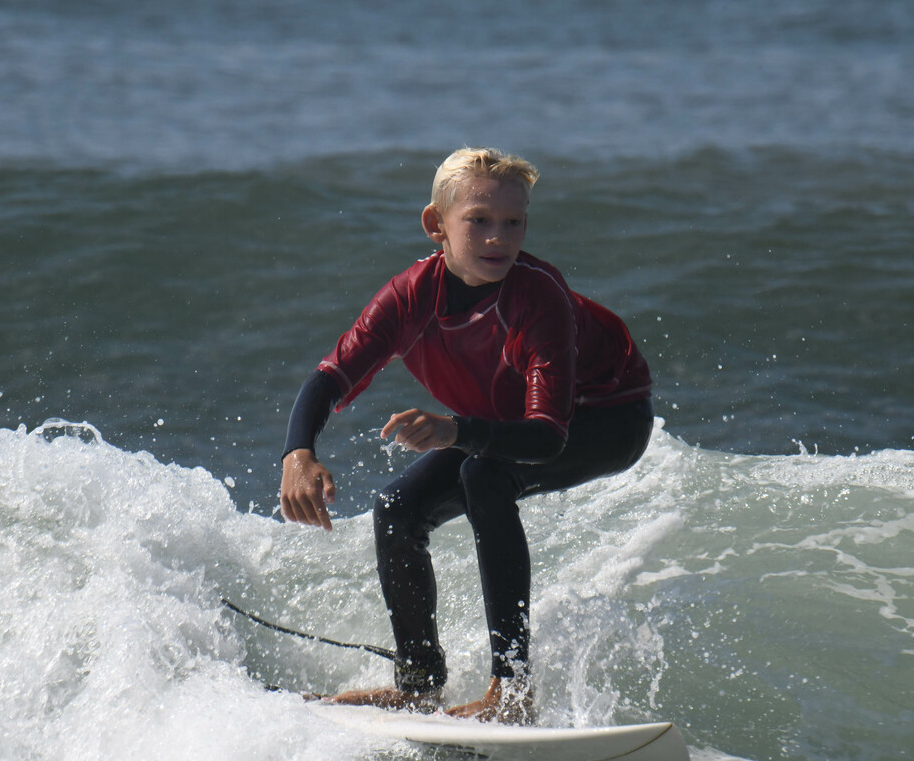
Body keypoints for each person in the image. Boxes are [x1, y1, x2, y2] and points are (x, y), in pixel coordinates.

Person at [279, 147, 654, 723]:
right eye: (478, 220)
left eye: (513, 222)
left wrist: (455, 430)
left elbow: (547, 438)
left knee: (484, 471)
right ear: (437, 225)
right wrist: (298, 453)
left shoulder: (538, 297)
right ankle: (418, 682)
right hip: (500, 424)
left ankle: (513, 690)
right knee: (396, 509)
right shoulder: (409, 297)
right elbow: (330, 376)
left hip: (607, 417)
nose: (497, 237)